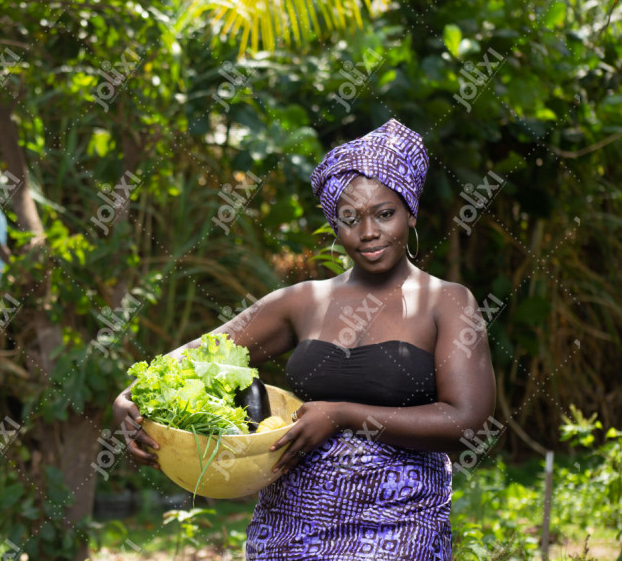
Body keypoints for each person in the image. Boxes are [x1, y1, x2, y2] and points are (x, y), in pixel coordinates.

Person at [112, 119, 496, 560]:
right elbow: (198, 359)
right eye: (349, 218)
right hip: (289, 523)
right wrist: (129, 399)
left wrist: (342, 414)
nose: (367, 232)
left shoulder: (446, 302)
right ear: (335, 224)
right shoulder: (304, 301)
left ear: (410, 212)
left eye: (384, 214)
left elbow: (469, 422)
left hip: (400, 522)